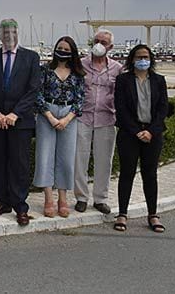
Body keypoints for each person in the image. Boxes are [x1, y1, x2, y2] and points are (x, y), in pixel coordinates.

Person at [0, 18, 41, 226]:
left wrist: (15, 114)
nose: (9, 36)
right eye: (5, 33)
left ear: (18, 33)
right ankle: (3, 202)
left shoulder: (31, 57)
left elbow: (33, 90)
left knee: (19, 164)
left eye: (13, 32)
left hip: (20, 122)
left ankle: (20, 207)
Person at [114, 44, 169, 233]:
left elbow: (163, 109)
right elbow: (120, 109)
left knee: (150, 174)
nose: (142, 60)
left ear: (151, 59)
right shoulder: (123, 80)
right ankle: (122, 213)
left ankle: (153, 214)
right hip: (129, 134)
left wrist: (151, 131)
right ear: (132, 59)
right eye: (138, 57)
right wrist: (137, 131)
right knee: (127, 173)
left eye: (145, 57)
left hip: (152, 134)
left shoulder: (159, 81)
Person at [34, 36, 85, 218]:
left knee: (66, 157)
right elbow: (37, 95)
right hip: (47, 113)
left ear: (72, 52)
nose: (62, 51)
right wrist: (50, 117)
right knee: (44, 155)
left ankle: (63, 198)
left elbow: (81, 99)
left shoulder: (78, 73)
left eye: (66, 49)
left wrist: (67, 119)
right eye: (60, 47)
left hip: (69, 114)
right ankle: (48, 198)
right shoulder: (45, 70)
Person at [73, 29, 122, 214]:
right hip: (82, 117)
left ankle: (100, 199)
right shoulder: (80, 65)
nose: (99, 44)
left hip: (107, 118)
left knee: (104, 161)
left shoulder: (117, 68)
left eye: (104, 41)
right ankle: (81, 197)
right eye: (97, 40)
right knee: (80, 159)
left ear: (110, 47)